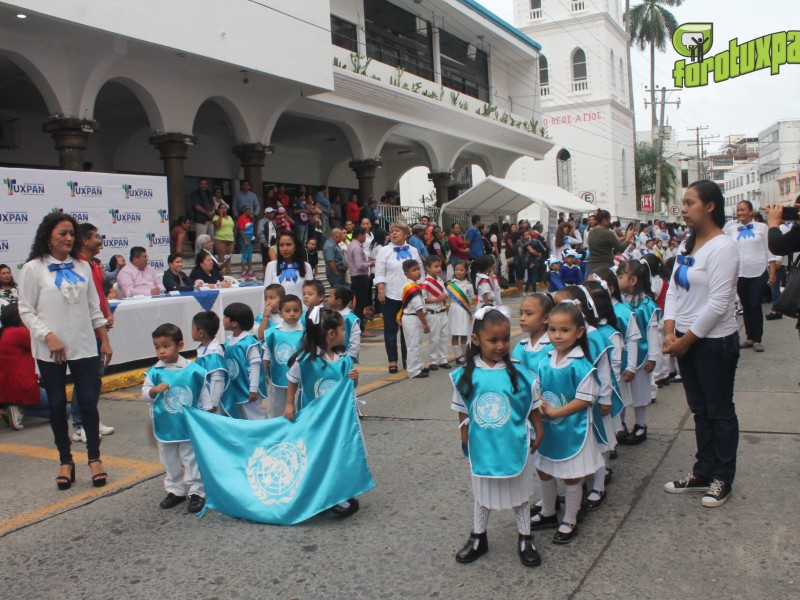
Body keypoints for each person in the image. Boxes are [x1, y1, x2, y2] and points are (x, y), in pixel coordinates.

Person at [17, 212, 112, 489]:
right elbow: (25, 309)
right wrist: (47, 336)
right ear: (48, 236)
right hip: (51, 349)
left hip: (84, 344)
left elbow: (94, 308)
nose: (69, 238)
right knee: (58, 405)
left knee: (87, 401)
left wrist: (104, 338)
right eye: (63, 233)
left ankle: (94, 458)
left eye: (72, 233)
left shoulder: (83, 267)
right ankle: (65, 460)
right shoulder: (33, 268)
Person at [661, 181, 740, 508]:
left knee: (719, 410)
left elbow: (720, 302)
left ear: (710, 206)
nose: (684, 207)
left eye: (690, 202)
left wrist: (686, 340)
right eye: (684, 202)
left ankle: (723, 477)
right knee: (700, 410)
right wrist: (670, 332)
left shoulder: (723, 248)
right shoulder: (686, 246)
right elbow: (674, 293)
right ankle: (703, 471)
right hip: (684, 340)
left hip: (713, 343)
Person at [451, 307, 543, 567]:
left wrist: (539, 428)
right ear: (477, 339)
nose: (501, 345)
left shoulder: (519, 372)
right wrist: (465, 438)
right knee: (482, 493)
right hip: (483, 445)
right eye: (493, 340)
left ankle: (525, 537)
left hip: (515, 441)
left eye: (505, 339)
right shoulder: (465, 375)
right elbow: (461, 409)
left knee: (520, 493)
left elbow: (531, 403)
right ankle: (479, 536)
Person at [530, 302, 602, 544]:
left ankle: (570, 517)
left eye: (564, 330)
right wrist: (538, 402)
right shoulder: (544, 360)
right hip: (548, 429)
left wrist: (556, 410)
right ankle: (548, 511)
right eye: (552, 330)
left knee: (571, 476)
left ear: (579, 332)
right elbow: (537, 388)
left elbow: (585, 398)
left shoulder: (581, 365)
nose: (557, 336)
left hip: (572, 429)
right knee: (544, 469)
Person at [284, 306, 361, 517]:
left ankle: (343, 492)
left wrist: (354, 380)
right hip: (315, 420)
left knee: (341, 453)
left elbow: (350, 389)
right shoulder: (306, 361)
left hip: (340, 420)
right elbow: (292, 380)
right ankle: (321, 494)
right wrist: (289, 404)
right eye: (343, 330)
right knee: (318, 454)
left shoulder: (344, 360)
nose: (345, 334)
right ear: (331, 334)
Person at [554, 286, 619, 510]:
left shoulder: (593, 336)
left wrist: (606, 399)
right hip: (574, 401)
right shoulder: (565, 334)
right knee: (581, 444)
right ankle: (578, 486)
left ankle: (599, 486)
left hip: (595, 400)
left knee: (600, 443)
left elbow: (604, 370)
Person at [142, 323, 211, 513]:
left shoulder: (194, 370)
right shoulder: (155, 371)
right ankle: (175, 490)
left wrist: (206, 413)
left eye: (166, 346)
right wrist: (154, 390)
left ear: (179, 345)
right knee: (169, 459)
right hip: (165, 425)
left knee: (191, 459)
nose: (161, 351)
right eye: (157, 347)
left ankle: (197, 492)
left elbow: (204, 394)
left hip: (188, 425)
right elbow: (144, 393)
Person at [72, 223, 115, 442]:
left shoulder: (94, 266)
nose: (100, 240)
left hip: (97, 329)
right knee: (85, 378)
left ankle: (91, 419)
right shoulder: (76, 266)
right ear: (86, 240)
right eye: (96, 237)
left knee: (95, 378)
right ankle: (80, 424)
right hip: (86, 330)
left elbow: (100, 295)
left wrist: (107, 313)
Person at [593, 268, 642, 443]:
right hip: (602, 369)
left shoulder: (623, 311)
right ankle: (609, 434)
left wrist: (630, 366)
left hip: (619, 367)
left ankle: (618, 428)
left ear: (610, 289)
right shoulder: (591, 313)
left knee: (619, 398)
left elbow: (632, 339)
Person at [723, 201, 777, 352]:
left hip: (758, 272)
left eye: (743, 210)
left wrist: (772, 273)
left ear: (751, 212)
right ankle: (749, 337)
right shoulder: (732, 229)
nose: (740, 213)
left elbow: (769, 250)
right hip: (740, 273)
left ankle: (757, 338)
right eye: (738, 210)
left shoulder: (762, 228)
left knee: (754, 304)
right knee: (746, 306)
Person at [616, 260, 659, 445]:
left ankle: (640, 425)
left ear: (633, 280)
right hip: (622, 357)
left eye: (620, 276)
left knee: (640, 393)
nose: (617, 280)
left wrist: (653, 357)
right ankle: (620, 425)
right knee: (621, 393)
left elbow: (653, 332)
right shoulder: (618, 303)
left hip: (641, 357)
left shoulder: (647, 304)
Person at [375, 221, 423, 374]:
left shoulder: (414, 250)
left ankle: (408, 360)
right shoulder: (384, 250)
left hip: (409, 296)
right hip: (391, 295)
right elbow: (380, 272)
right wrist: (381, 289)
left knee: (408, 329)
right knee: (390, 329)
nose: (394, 233)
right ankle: (392, 361)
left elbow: (420, 270)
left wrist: (420, 290)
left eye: (397, 230)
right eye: (392, 231)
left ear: (405, 233)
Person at [0, 303, 51, 430]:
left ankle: (17, 409)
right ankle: (23, 411)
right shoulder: (19, 333)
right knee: (63, 409)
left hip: (7, 389)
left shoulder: (5, 333)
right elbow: (46, 341)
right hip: (21, 387)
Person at [221, 302, 265, 420]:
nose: (223, 319)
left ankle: (263, 438)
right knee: (240, 418)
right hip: (236, 389)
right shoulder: (228, 341)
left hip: (248, 389)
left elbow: (255, 366)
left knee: (254, 418)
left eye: (225, 317)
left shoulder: (249, 343)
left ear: (234, 323)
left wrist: (253, 389)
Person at [262, 294, 304, 418]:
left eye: (296, 310)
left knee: (295, 409)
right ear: (280, 313)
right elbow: (267, 354)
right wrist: (263, 374)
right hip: (276, 378)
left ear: (301, 312)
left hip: (298, 380)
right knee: (275, 409)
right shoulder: (272, 333)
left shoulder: (305, 333)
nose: (292, 314)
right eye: (287, 311)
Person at [191, 311, 227, 413]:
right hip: (204, 399)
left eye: (193, 329)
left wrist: (213, 403)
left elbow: (217, 380)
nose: (191, 331)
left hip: (212, 405)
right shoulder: (203, 348)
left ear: (201, 333)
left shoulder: (214, 352)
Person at [264, 231, 313, 307]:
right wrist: (263, 315)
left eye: (288, 245)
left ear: (296, 246)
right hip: (277, 314)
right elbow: (265, 294)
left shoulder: (306, 267)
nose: (284, 248)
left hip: (300, 313)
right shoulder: (271, 266)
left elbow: (311, 294)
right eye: (281, 245)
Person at [399, 259, 429, 379]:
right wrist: (425, 323)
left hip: (411, 318)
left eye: (418, 269)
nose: (417, 272)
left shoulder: (412, 285)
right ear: (406, 273)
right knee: (413, 345)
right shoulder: (412, 288)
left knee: (417, 343)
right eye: (413, 270)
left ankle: (419, 366)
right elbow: (418, 308)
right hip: (413, 318)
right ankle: (413, 370)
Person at [422, 255, 450, 370]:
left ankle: (443, 359)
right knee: (434, 338)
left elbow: (445, 293)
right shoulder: (426, 283)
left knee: (444, 336)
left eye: (440, 266)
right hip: (432, 312)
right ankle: (433, 360)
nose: (439, 269)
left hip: (442, 312)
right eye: (436, 266)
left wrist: (444, 296)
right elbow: (423, 299)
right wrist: (436, 300)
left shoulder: (440, 280)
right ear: (428, 268)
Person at [585, 210, 635, 274]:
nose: (609, 222)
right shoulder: (608, 233)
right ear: (604, 220)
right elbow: (620, 248)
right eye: (609, 220)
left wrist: (625, 237)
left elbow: (607, 241)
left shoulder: (591, 232)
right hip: (604, 267)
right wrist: (628, 237)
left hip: (590, 266)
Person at [447, 261, 474, 366]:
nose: (458, 272)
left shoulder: (469, 285)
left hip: (465, 311)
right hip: (454, 310)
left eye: (461, 270)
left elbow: (471, 297)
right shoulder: (451, 285)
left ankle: (465, 354)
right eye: (456, 269)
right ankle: (458, 356)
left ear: (466, 272)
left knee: (464, 334)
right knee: (455, 334)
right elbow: (448, 299)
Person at [347, 226, 373, 338]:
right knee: (360, 305)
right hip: (359, 277)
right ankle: (360, 329)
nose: (365, 238)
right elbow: (360, 265)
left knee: (359, 304)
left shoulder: (352, 245)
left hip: (356, 277)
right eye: (364, 235)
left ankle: (359, 328)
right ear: (360, 235)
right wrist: (369, 264)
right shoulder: (357, 248)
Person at [212, 203, 235, 275]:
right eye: (221, 208)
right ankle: (221, 274)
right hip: (220, 239)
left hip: (230, 239)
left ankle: (229, 273)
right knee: (221, 258)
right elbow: (217, 225)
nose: (223, 209)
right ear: (218, 210)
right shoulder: (216, 217)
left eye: (225, 208)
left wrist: (234, 239)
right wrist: (221, 216)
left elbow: (232, 229)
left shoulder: (230, 217)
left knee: (228, 258)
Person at [237, 205, 256, 278]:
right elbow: (241, 229)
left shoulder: (249, 218)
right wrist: (245, 240)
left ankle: (250, 271)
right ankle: (243, 271)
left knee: (249, 255)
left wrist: (252, 218)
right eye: (249, 210)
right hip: (245, 238)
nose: (250, 211)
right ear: (245, 210)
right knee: (245, 254)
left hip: (251, 238)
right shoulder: (240, 218)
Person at [257, 207, 278, 274]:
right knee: (266, 261)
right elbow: (260, 232)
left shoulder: (273, 222)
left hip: (273, 245)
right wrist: (264, 242)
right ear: (266, 214)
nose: (273, 214)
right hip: (266, 244)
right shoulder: (262, 222)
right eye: (271, 213)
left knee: (273, 260)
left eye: (273, 213)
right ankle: (266, 277)